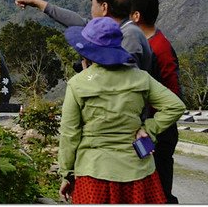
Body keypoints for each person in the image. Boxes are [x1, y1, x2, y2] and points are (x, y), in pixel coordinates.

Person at [58, 16, 186, 204]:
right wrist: (149, 129)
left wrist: (67, 174)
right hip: (138, 172)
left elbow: (70, 133)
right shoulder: (141, 78)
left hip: (93, 173)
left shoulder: (78, 84)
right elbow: (175, 106)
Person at [11, 0, 153, 72]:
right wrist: (35, 2)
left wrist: (88, 76)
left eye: (92, 2)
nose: (91, 8)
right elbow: (76, 21)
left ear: (104, 7)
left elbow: (125, 80)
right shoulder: (109, 32)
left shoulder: (130, 35)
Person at [130, 0, 181, 204]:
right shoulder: (146, 43)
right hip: (147, 128)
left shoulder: (160, 48)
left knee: (159, 190)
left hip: (159, 131)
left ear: (136, 16)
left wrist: (151, 125)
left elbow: (173, 93)